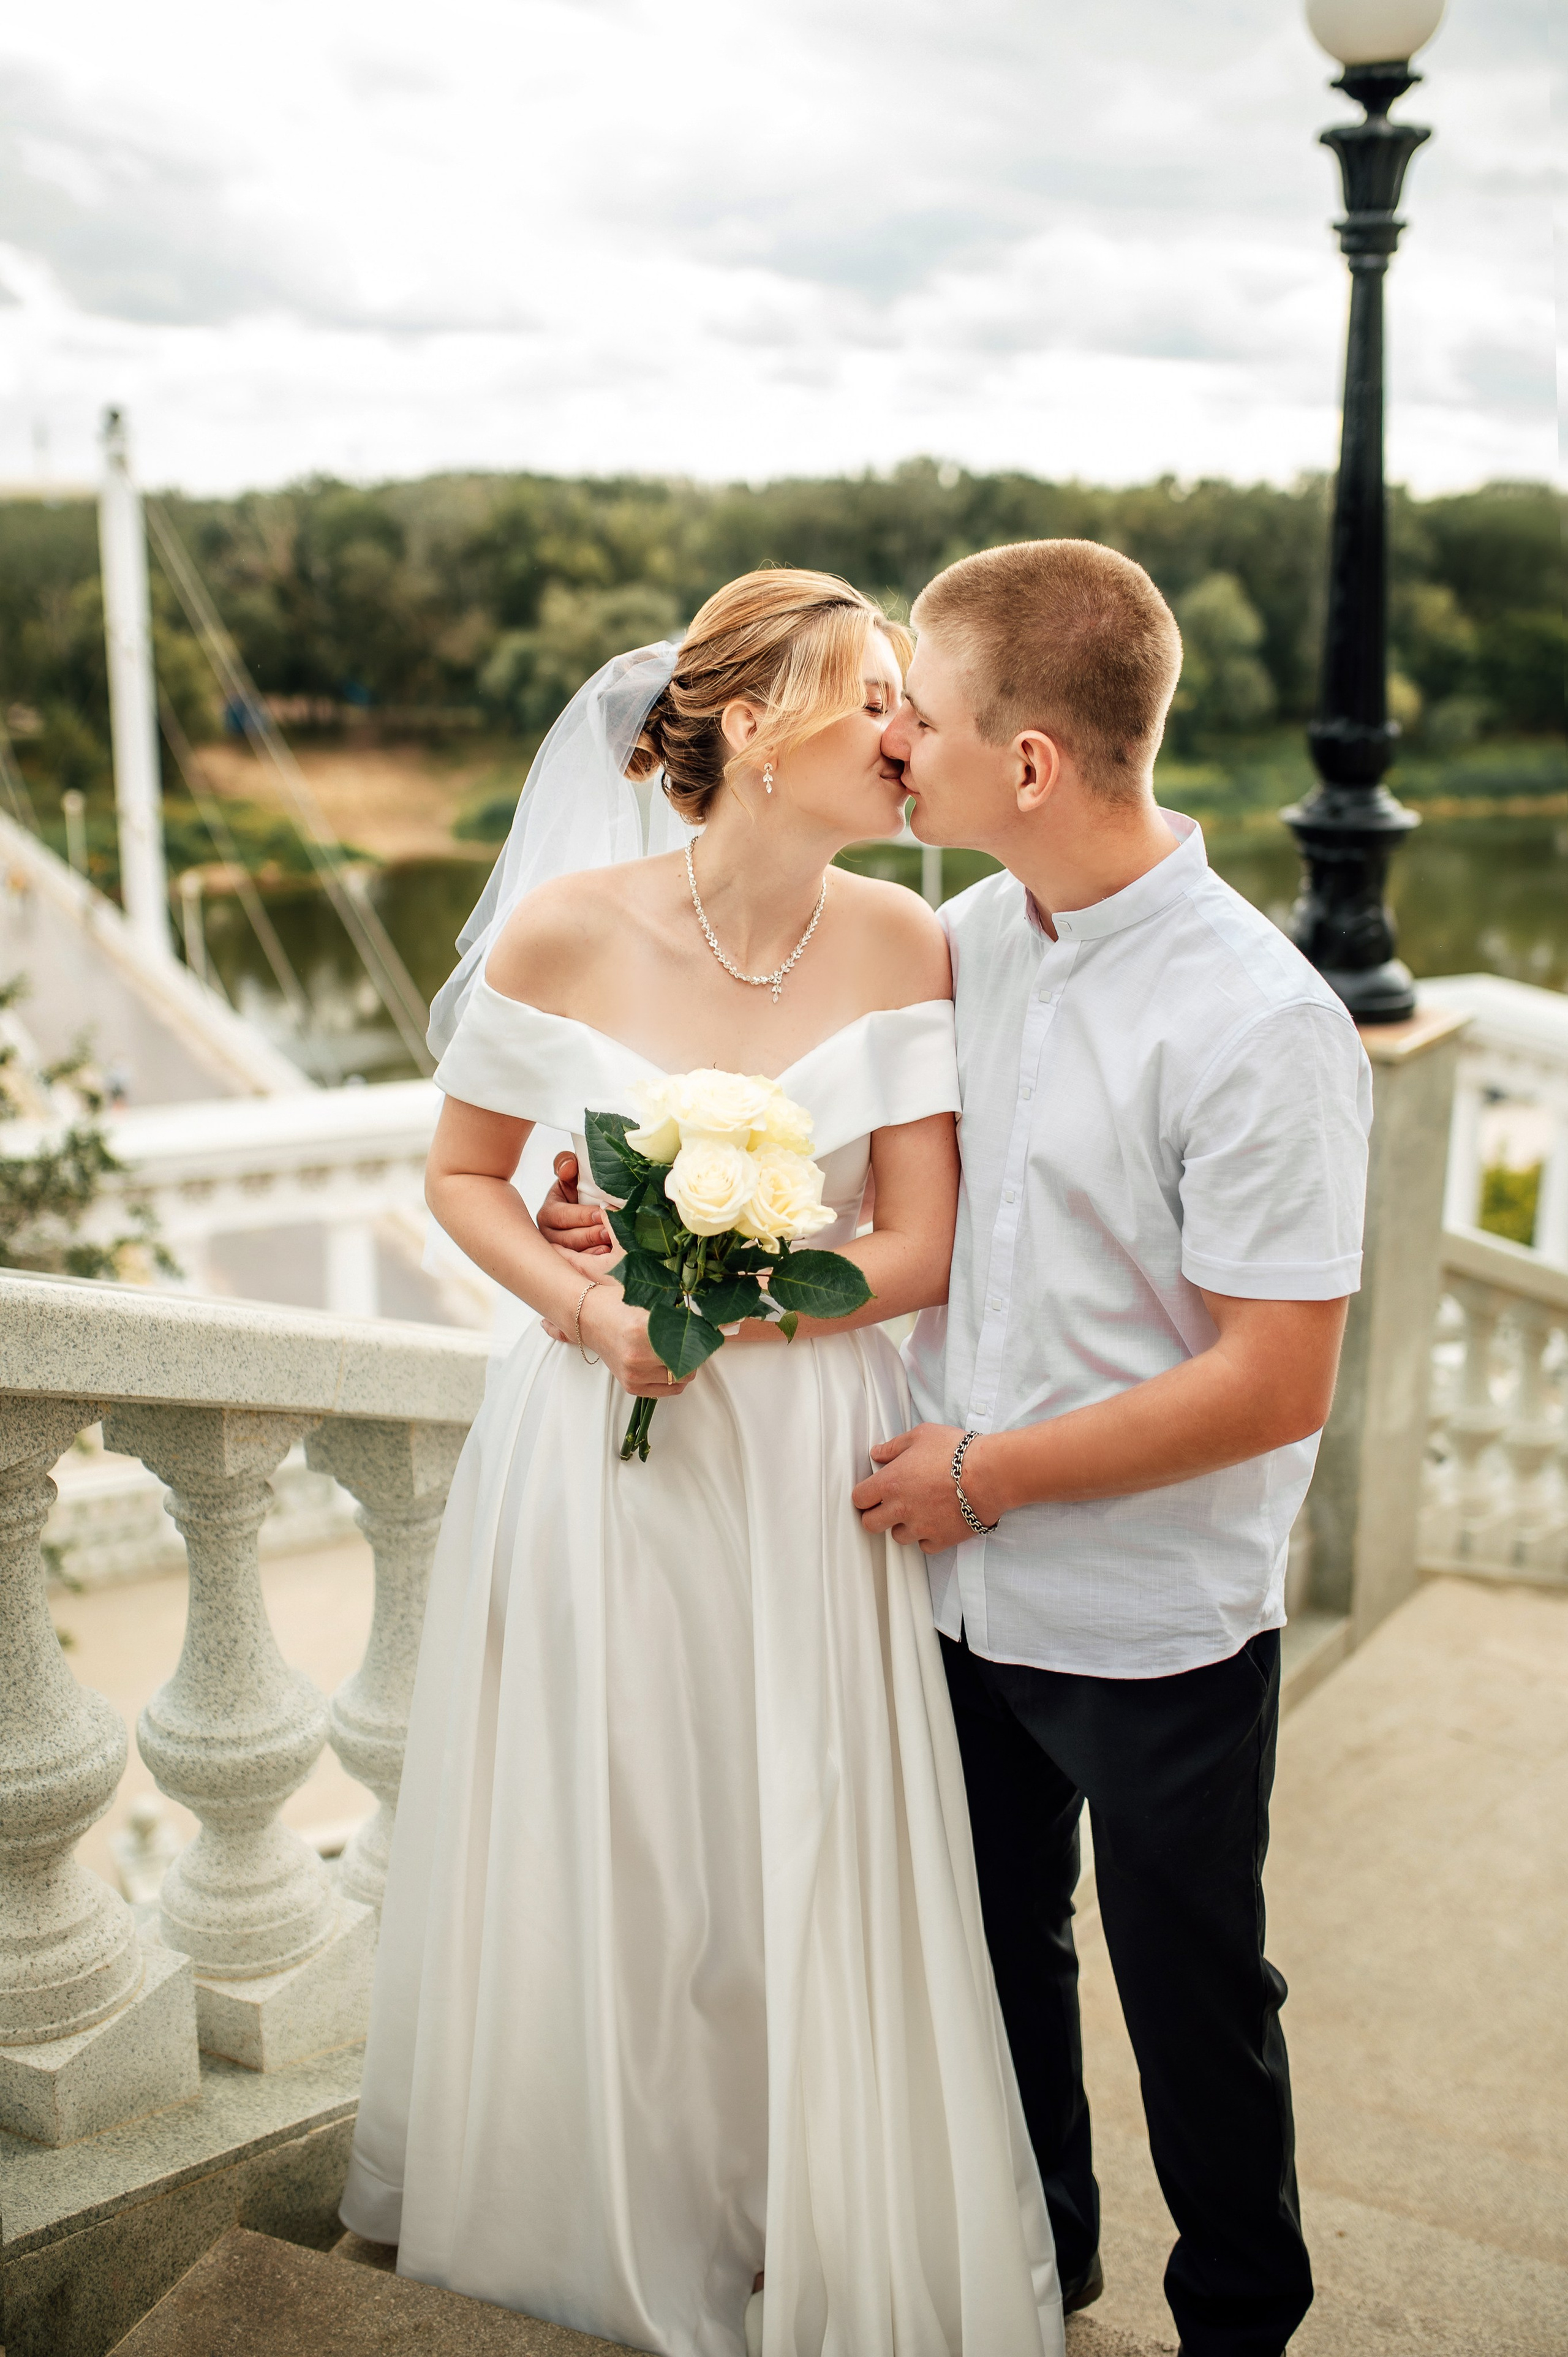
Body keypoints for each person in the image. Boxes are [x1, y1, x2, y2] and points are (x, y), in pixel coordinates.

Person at [340, 570, 1065, 2357]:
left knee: (793, 1831)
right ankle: (609, 2205)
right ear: (749, 723)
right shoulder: (565, 934)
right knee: (629, 1818)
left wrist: (730, 1302)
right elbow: (459, 1182)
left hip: (812, 1450)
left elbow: (919, 1250)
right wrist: (598, 1320)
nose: (911, 735)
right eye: (876, 698)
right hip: (592, 1448)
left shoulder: (912, 943)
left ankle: (783, 2213)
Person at [850, 539, 1373, 2357]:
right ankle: (1042, 2271)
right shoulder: (968, 945)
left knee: (1195, 2003)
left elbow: (1269, 1385)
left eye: (920, 705)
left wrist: (986, 1475)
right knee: (999, 1976)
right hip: (959, 1605)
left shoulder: (1262, 1027)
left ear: (1033, 764)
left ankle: (1241, 2320)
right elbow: (880, 1205)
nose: (892, 734)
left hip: (1155, 1620)